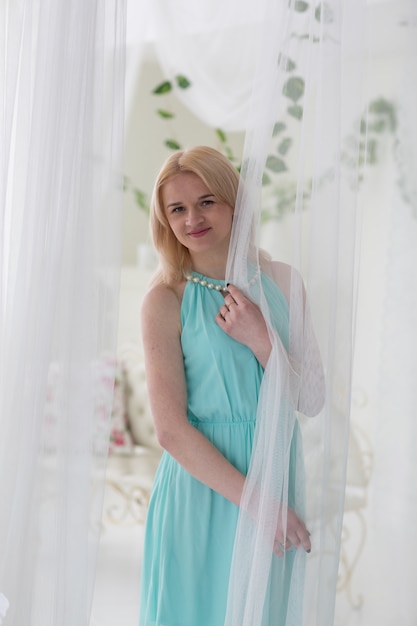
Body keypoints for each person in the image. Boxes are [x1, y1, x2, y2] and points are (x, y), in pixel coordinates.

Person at [138, 146, 325, 626]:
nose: (192, 219)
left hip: (275, 476)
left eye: (206, 201)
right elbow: (170, 430)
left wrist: (263, 339)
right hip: (203, 491)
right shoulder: (163, 299)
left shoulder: (284, 282)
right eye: (176, 209)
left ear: (235, 202)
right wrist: (260, 505)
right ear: (164, 220)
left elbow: (312, 399)